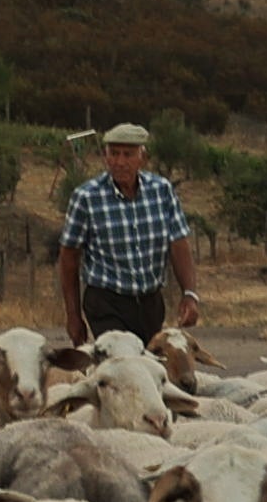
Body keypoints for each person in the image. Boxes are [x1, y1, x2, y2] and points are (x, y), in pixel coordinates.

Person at [54, 120, 195, 350]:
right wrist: (73, 315)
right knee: (123, 364)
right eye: (114, 154)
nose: (120, 162)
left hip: (149, 302)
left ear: (143, 157)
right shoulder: (86, 197)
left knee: (151, 367)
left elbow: (179, 243)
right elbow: (69, 257)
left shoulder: (162, 191)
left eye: (128, 155)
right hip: (106, 301)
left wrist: (189, 294)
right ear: (106, 157)